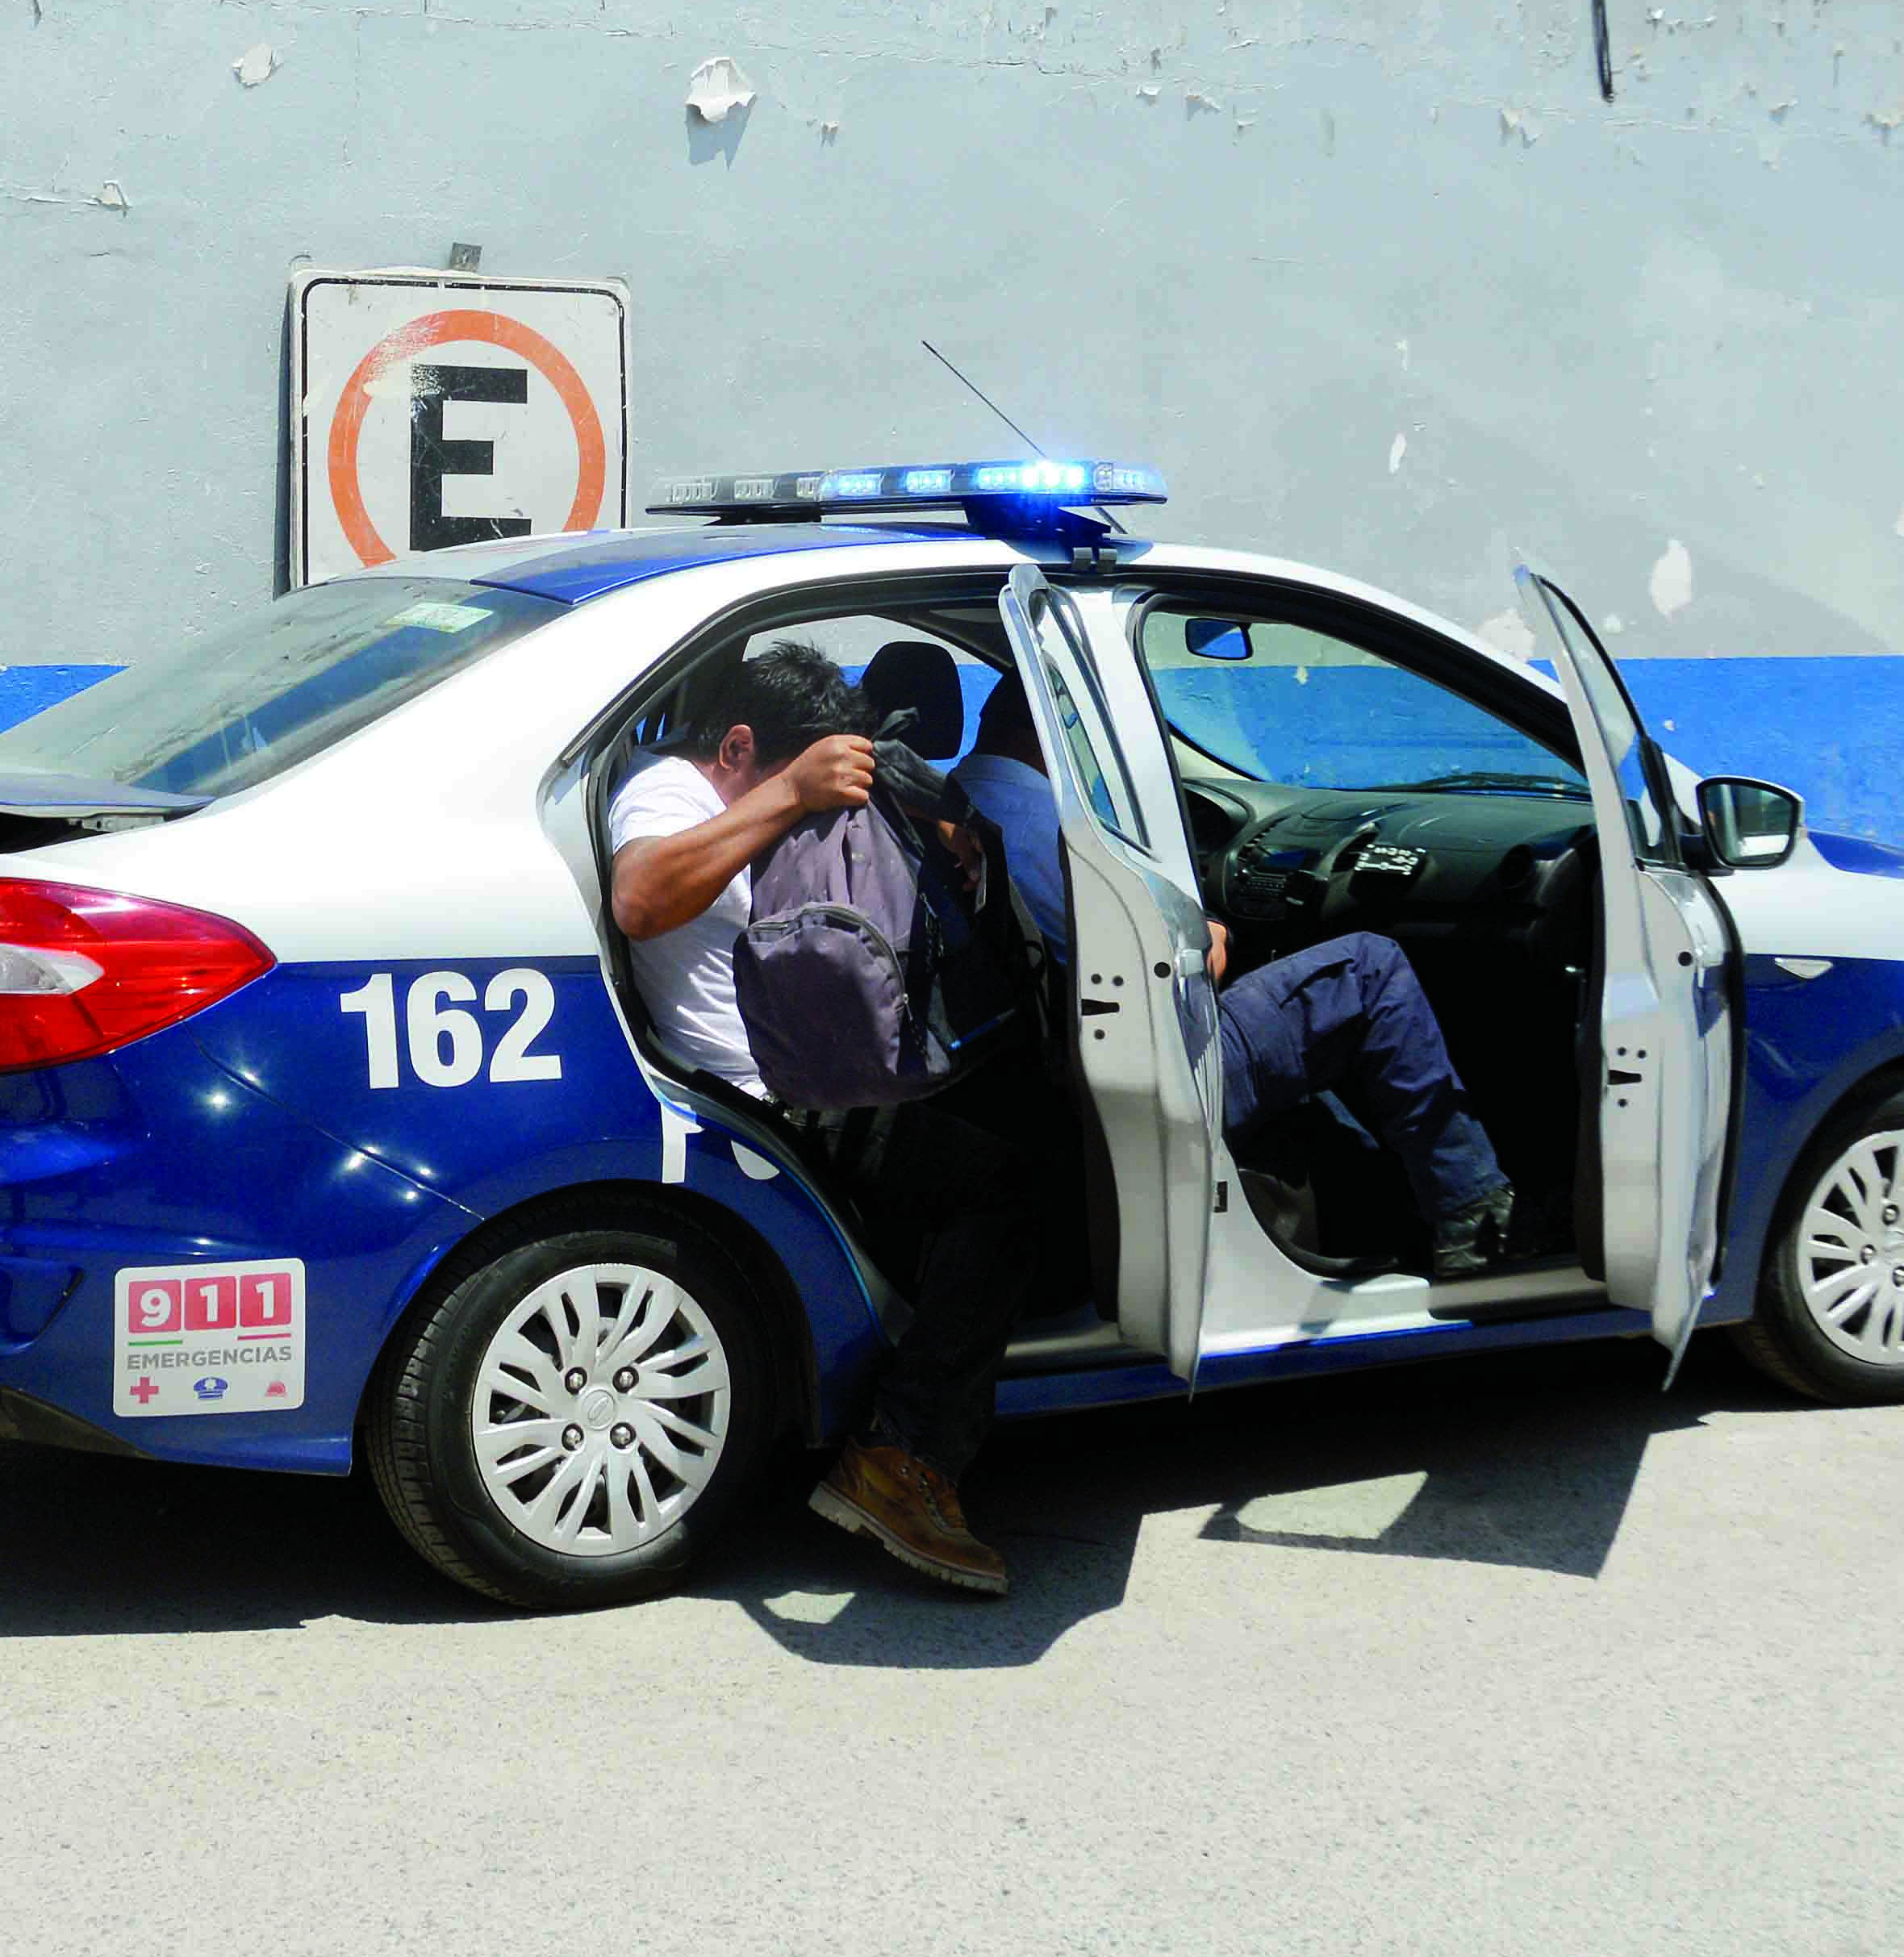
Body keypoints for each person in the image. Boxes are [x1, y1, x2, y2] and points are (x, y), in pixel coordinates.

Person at [606, 642, 1046, 1599]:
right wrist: (793, 793)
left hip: (807, 1065)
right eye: (783, 769)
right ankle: (904, 1454)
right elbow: (640, 900)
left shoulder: (737, 788)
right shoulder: (667, 793)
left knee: (1016, 1104)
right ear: (736, 746)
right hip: (763, 1102)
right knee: (1003, 1189)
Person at [955, 682, 1526, 1280]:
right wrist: (1213, 934)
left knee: (1305, 1036)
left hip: (1049, 1075)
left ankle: (1389, 1210)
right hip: (1155, 1065)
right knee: (1367, 969)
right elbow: (1169, 970)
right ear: (1060, 733)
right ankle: (1475, 1218)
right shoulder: (1048, 826)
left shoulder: (962, 802)